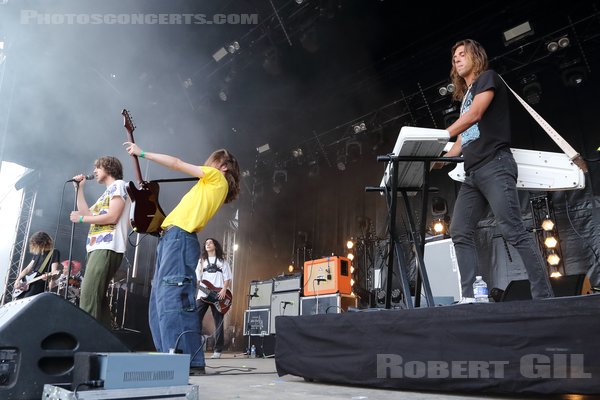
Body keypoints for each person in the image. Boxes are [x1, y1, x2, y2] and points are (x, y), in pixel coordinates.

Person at [440, 39, 554, 301]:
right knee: (459, 231)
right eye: (454, 56)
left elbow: (476, 115)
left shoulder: (488, 78)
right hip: (473, 175)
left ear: (476, 56)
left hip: (495, 164)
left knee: (512, 229)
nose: (456, 59)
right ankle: (470, 297)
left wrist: (443, 134)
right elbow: (461, 141)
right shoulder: (465, 98)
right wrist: (431, 157)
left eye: (461, 54)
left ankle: (544, 297)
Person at [123, 142, 240, 375]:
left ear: (223, 167)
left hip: (179, 238)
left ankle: (187, 361)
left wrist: (142, 153)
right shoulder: (208, 186)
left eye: (213, 163)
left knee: (172, 298)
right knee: (159, 302)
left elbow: (176, 163)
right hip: (171, 238)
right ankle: (169, 357)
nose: (208, 167)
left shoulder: (216, 178)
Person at [69, 156, 131, 326]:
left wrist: (81, 219)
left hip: (108, 246)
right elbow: (87, 213)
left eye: (98, 167)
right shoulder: (107, 192)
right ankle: (104, 341)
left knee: (89, 294)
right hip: (97, 247)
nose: (94, 171)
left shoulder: (119, 185)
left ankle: (87, 341)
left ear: (109, 168)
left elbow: (112, 216)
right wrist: (79, 190)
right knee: (97, 296)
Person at [196, 238, 232, 359]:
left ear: (215, 246)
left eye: (210, 242)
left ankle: (217, 350)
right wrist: (199, 287)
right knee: (195, 320)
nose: (208, 244)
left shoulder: (223, 262)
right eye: (206, 243)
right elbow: (198, 279)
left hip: (218, 295)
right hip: (203, 295)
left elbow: (227, 279)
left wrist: (223, 290)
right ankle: (194, 347)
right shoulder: (202, 262)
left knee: (218, 323)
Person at [13, 231, 61, 299]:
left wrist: (48, 277)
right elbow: (28, 269)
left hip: (38, 284)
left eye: (37, 244)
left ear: (43, 243)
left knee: (28, 304)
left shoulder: (54, 252)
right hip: (28, 281)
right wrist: (18, 280)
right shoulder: (37, 253)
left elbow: (54, 272)